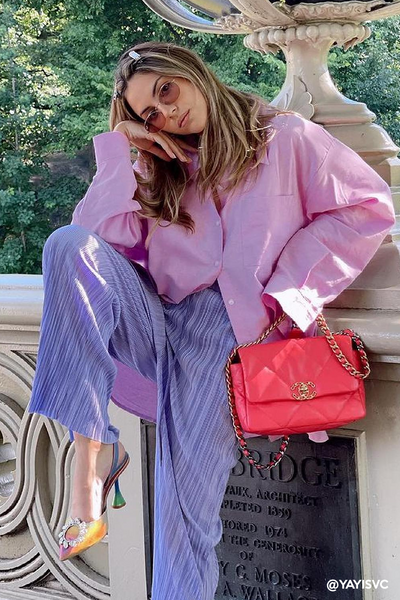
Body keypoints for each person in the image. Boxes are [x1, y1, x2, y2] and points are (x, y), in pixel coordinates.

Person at [27, 41, 395, 599]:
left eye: (166, 91)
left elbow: (366, 205)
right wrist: (121, 148)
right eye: (149, 113)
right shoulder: (159, 168)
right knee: (65, 244)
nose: (166, 112)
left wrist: (290, 286)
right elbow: (99, 241)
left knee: (184, 519)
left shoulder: (284, 137)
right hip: (157, 319)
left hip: (225, 336)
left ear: (191, 73)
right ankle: (92, 453)